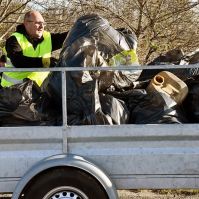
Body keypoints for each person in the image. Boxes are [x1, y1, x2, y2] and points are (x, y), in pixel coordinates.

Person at [1, 10, 68, 87]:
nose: (41, 26)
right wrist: (44, 62)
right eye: (38, 23)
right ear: (26, 23)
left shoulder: (48, 38)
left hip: (40, 91)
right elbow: (17, 61)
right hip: (13, 91)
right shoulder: (14, 39)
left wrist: (83, 28)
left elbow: (68, 37)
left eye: (43, 23)